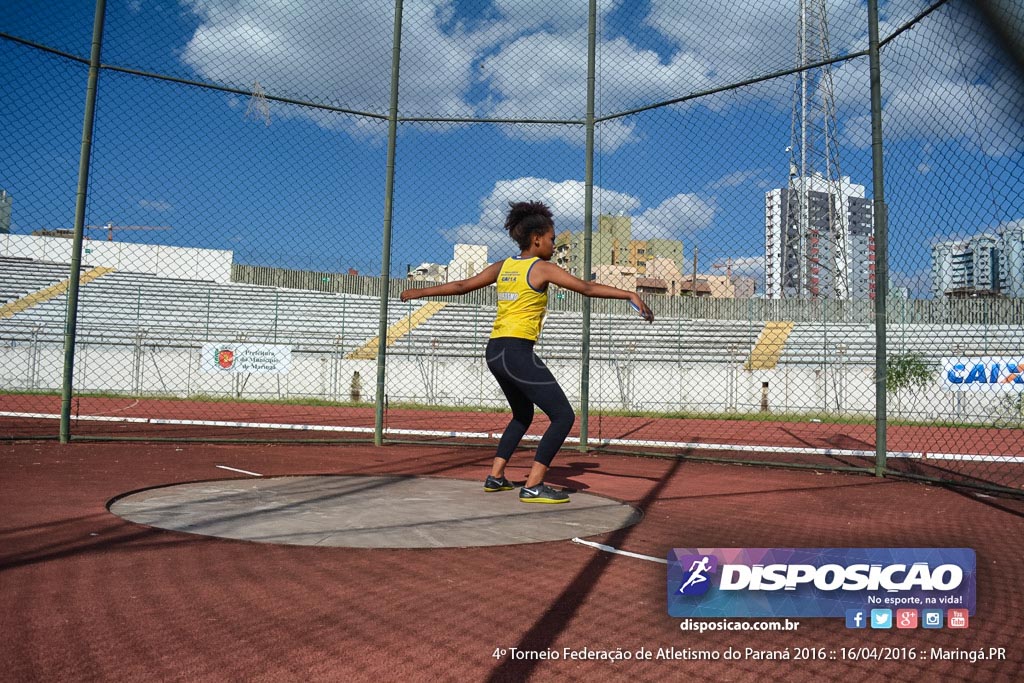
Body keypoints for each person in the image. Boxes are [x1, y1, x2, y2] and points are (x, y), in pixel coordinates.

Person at [401, 201, 653, 504]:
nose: (553, 243)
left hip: (495, 351)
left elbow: (461, 286)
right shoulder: (542, 268)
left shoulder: (503, 266)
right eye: (551, 238)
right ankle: (533, 485)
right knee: (563, 416)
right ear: (536, 238)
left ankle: (496, 476)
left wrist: (419, 291)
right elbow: (585, 288)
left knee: (523, 414)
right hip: (517, 351)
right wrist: (628, 292)